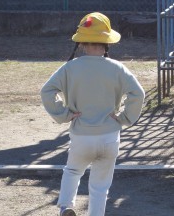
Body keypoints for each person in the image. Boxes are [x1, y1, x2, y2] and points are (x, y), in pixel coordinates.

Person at [40, 12, 145, 216]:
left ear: (81, 43)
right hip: (110, 136)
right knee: (100, 186)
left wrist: (64, 114)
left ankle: (66, 206)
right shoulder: (118, 68)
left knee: (72, 171)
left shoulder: (70, 68)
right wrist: (124, 118)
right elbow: (138, 93)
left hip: (81, 135)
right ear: (107, 42)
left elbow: (47, 91)